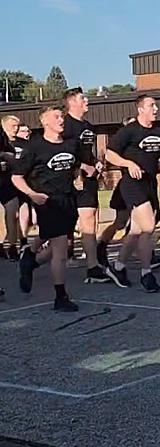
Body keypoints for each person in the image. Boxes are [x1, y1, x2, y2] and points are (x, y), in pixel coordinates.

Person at [12, 107, 86, 311]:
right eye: (56, 116)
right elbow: (16, 177)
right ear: (44, 121)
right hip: (47, 202)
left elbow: (76, 166)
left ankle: (30, 261)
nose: (61, 119)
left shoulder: (72, 144)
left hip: (68, 200)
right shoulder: (35, 147)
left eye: (62, 116)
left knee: (54, 244)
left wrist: (80, 176)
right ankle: (60, 297)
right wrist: (33, 194)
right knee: (61, 249)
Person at [104, 95, 160, 292]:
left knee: (135, 231)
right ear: (140, 109)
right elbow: (110, 154)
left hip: (150, 184)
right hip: (131, 184)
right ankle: (146, 273)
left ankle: (118, 267)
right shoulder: (129, 131)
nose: (156, 109)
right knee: (148, 227)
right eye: (151, 105)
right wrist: (128, 163)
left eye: (156, 105)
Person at [61, 88, 118, 286]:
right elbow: (62, 154)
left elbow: (87, 152)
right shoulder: (65, 126)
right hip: (69, 181)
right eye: (82, 98)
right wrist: (81, 166)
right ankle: (32, 256)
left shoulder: (88, 126)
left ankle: (93, 266)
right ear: (71, 102)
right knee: (60, 228)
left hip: (89, 181)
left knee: (90, 220)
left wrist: (96, 162)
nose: (87, 100)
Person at [1, 115, 21, 260]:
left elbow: (14, 157)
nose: (16, 129)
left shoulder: (14, 143)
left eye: (17, 126)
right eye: (13, 126)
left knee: (13, 212)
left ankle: (13, 246)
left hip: (7, 181)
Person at [13, 124, 36, 249]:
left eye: (28, 130)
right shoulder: (9, 145)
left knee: (26, 208)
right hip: (10, 180)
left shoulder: (30, 146)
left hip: (29, 181)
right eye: (23, 131)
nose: (26, 133)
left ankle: (23, 238)